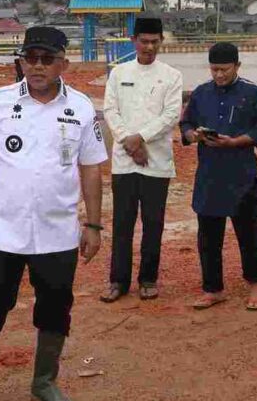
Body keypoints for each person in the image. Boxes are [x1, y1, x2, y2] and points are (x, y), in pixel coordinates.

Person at [0, 26, 108, 401]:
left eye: (47, 59)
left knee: (56, 308)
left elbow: (91, 167)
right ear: (21, 61)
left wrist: (93, 224)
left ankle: (44, 382)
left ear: (64, 63)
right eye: (31, 58)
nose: (38, 66)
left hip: (57, 232)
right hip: (2, 233)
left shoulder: (81, 107)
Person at [179, 43, 257, 311]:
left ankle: (255, 287)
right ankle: (213, 289)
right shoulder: (200, 93)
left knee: (248, 234)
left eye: (224, 70)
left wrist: (236, 142)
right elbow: (185, 124)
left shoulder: (252, 92)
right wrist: (192, 135)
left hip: (243, 176)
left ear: (237, 66)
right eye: (214, 69)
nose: (219, 75)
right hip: (209, 176)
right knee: (208, 237)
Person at [100, 16, 183, 302]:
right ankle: (117, 281)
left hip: (156, 162)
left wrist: (141, 138)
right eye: (144, 41)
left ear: (161, 41)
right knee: (122, 223)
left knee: (153, 223)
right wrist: (129, 142)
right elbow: (110, 111)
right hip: (125, 161)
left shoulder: (172, 75)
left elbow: (171, 115)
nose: (149, 46)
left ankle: (148, 279)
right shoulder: (118, 73)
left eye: (154, 41)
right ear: (133, 40)